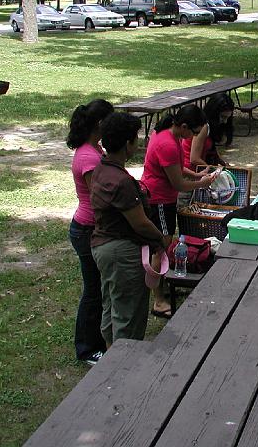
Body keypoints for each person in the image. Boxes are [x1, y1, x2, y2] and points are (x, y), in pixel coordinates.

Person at [90, 112, 168, 346]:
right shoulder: (121, 181)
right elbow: (140, 223)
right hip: (121, 252)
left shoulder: (102, 168)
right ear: (127, 144)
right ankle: (123, 360)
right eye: (136, 138)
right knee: (128, 313)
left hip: (103, 247)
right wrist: (160, 240)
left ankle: (110, 352)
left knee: (112, 304)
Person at [140, 105, 216, 317]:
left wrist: (196, 175)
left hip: (162, 198)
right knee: (160, 248)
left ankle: (163, 288)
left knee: (162, 246)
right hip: (159, 200)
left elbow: (175, 167)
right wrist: (201, 183)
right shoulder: (167, 144)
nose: (194, 137)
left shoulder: (167, 134)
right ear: (183, 126)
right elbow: (178, 184)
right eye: (194, 132)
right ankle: (159, 301)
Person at [66, 98, 114, 365]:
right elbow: (99, 197)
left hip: (90, 228)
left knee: (98, 288)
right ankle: (87, 348)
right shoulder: (88, 156)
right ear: (99, 124)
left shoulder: (94, 148)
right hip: (86, 229)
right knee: (93, 291)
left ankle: (97, 341)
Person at [182, 92, 235, 170]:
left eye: (227, 118)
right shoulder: (204, 126)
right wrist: (213, 169)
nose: (225, 121)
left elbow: (212, 148)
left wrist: (223, 163)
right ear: (214, 113)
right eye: (223, 117)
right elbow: (194, 159)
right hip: (190, 170)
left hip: (198, 169)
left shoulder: (211, 127)